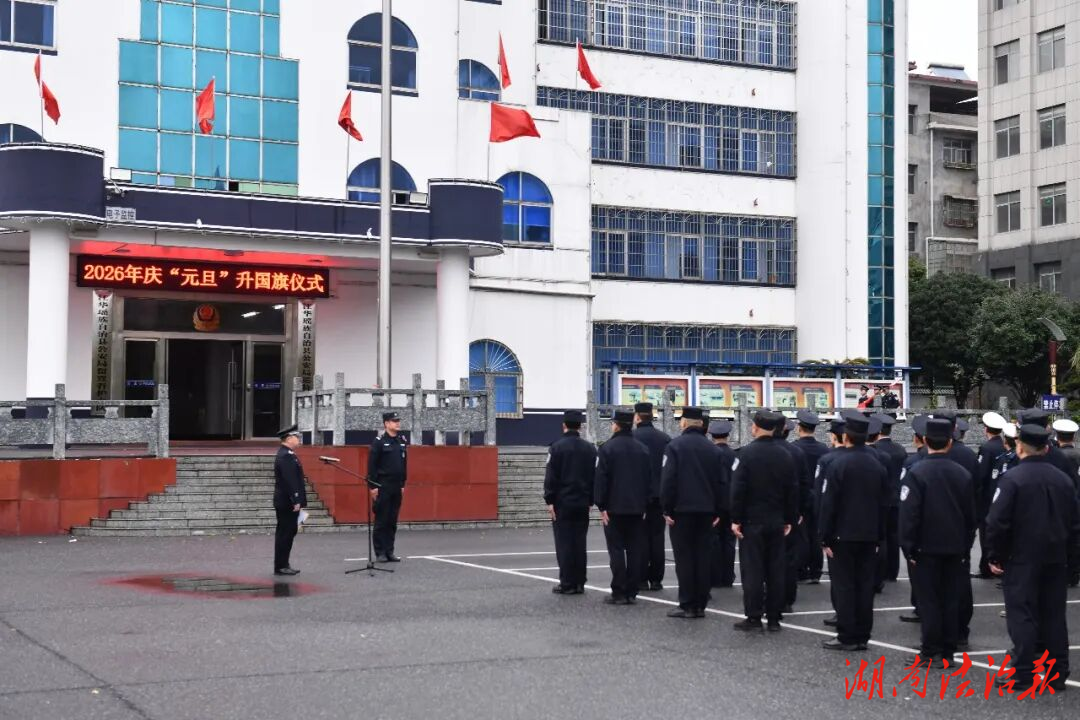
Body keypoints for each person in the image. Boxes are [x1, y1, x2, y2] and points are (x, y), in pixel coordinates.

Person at [986, 423, 1080, 692]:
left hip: (1023, 556)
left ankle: (1022, 671)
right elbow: (1075, 523)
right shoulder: (1062, 479)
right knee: (1053, 615)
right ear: (1046, 447)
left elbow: (997, 522)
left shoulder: (1013, 479)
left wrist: (995, 555)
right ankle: (1057, 672)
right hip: (1056, 556)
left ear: (1019, 446)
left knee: (1023, 614)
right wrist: (1073, 558)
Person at [899, 418, 976, 665]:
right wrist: (966, 544)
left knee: (929, 600)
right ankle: (948, 650)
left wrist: (908, 547)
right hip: (955, 547)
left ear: (925, 441)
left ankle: (931, 650)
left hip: (925, 547)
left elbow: (909, 515)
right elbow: (971, 516)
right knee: (951, 600)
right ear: (950, 442)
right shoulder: (962, 474)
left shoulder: (916, 473)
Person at [819, 412, 889, 651]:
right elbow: (884, 503)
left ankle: (847, 634)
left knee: (845, 586)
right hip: (869, 535)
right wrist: (880, 535)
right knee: (864, 585)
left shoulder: (837, 464)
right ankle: (862, 634)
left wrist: (824, 536)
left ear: (846, 436)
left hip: (842, 535)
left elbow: (829, 504)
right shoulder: (877, 464)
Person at [730, 409, 797, 632]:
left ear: (756, 427)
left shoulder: (746, 454)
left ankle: (754, 616)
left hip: (752, 521)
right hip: (777, 520)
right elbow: (792, 490)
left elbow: (738, 489)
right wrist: (789, 518)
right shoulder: (785, 454)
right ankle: (775, 617)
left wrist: (736, 518)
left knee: (753, 570)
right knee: (776, 570)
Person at [661, 407, 724, 618]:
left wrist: (667, 508)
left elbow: (668, 480)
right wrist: (718, 510)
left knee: (685, 558)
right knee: (703, 557)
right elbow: (720, 482)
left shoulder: (675, 446)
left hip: (682, 511)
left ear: (685, 423)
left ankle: (687, 603)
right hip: (707, 511)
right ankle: (701, 603)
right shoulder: (714, 449)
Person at [594, 410, 652, 605]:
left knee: (616, 550)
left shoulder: (607, 449)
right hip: (637, 508)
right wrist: (645, 504)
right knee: (635, 550)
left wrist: (601, 505)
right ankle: (632, 591)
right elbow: (649, 480)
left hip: (614, 508)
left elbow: (601, 480)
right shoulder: (643, 449)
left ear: (617, 425)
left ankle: (618, 590)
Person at [544, 410, 596, 595]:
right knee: (580, 542)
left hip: (562, 502)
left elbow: (551, 476)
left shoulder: (556, 448)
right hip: (582, 502)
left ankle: (567, 582)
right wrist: (591, 500)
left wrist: (549, 499)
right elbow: (593, 477)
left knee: (564, 543)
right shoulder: (590, 449)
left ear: (564, 425)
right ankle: (580, 581)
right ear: (580, 426)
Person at [633, 402, 671, 592]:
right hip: (659, 496)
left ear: (637, 417)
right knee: (657, 538)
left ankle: (640, 578)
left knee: (638, 538)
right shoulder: (664, 439)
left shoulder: (631, 438)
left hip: (637, 497)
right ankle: (656, 579)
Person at [775, 418, 810, 613]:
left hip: (767, 513)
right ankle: (788, 598)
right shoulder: (796, 452)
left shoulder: (759, 451)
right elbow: (805, 485)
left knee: (766, 559)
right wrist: (801, 511)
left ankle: (768, 598)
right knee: (788, 558)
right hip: (792, 512)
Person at [368, 411, 408, 563]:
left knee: (392, 521)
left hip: (397, 487)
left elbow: (404, 464)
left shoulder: (401, 441)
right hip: (382, 486)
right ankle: (380, 552)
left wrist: (403, 484)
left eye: (398, 420)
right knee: (381, 520)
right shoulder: (379, 442)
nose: (397, 423)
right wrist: (373, 487)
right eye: (394, 421)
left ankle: (390, 551)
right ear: (386, 423)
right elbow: (372, 466)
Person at [871, 413, 907, 583]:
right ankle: (893, 571)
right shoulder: (900, 449)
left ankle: (881, 570)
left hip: (881, 498)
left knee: (881, 536)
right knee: (894, 536)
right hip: (897, 497)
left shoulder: (876, 451)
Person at [794, 411, 829, 583]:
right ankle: (816, 570)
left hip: (801, 495)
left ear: (799, 428)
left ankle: (801, 570)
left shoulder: (794, 448)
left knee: (801, 535)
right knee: (816, 534)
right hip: (819, 496)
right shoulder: (824, 448)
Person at [972, 412, 1008, 579]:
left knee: (986, 533)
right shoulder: (1004, 445)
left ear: (986, 429)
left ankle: (986, 567)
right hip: (1001, 493)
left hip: (987, 497)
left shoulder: (986, 448)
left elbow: (981, 474)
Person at [273, 424, 307, 576]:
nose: (299, 439)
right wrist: (296, 499)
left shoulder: (288, 453)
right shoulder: (286, 455)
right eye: (296, 437)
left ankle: (283, 564)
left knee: (287, 532)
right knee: (285, 534)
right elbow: (290, 481)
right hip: (287, 501)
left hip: (287, 500)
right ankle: (281, 566)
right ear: (288, 438)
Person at [708, 419, 737, 588]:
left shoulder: (710, 454)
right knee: (729, 541)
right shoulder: (735, 455)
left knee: (714, 540)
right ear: (728, 435)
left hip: (715, 503)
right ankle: (728, 575)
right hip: (732, 503)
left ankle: (715, 575)